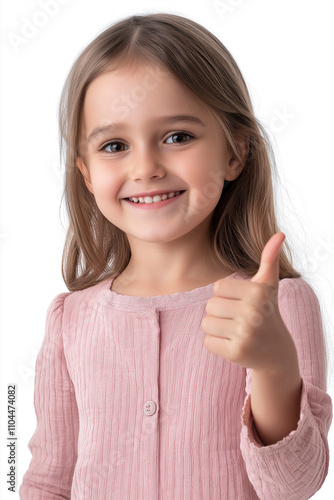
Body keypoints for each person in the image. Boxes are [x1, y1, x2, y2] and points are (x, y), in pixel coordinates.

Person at [19, 12, 332, 500]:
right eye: (115, 145)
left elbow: (293, 487)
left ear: (236, 151)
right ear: (85, 174)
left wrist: (274, 364)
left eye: (178, 137)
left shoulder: (279, 307)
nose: (145, 167)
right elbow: (48, 481)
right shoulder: (69, 320)